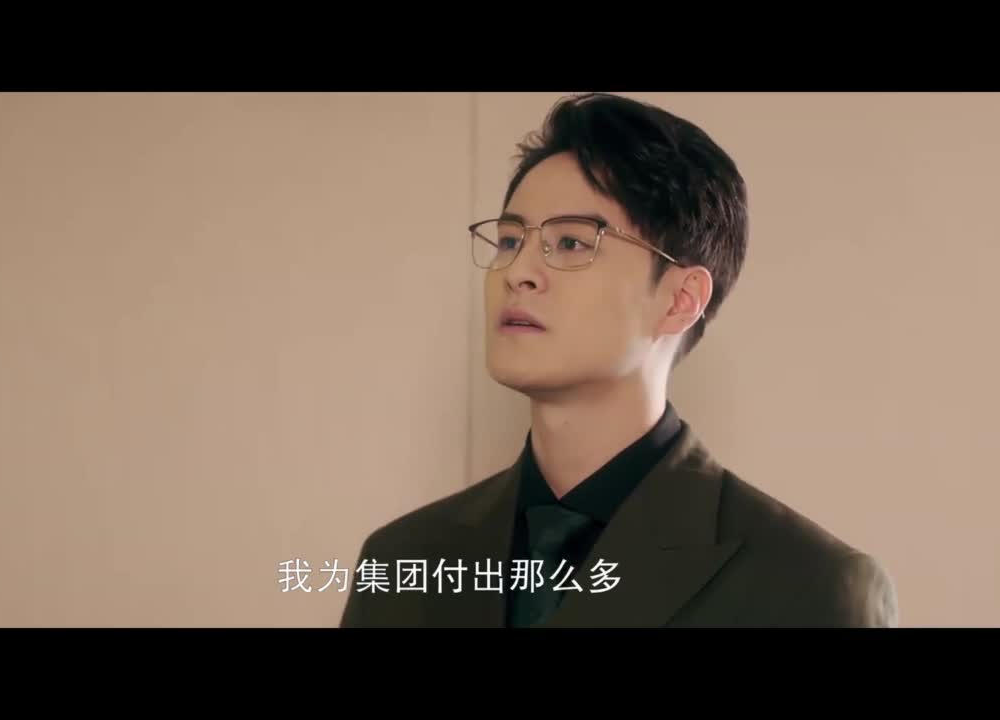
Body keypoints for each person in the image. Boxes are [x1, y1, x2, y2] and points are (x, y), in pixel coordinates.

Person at [338, 93, 898, 628]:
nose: (518, 272)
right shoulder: (401, 560)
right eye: (509, 241)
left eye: (571, 243)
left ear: (681, 300)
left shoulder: (808, 584)